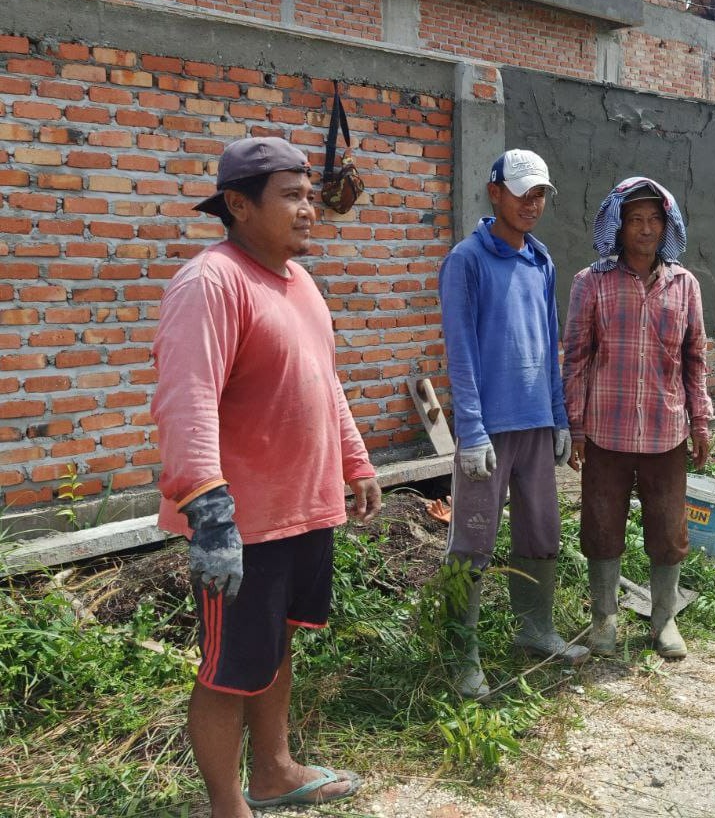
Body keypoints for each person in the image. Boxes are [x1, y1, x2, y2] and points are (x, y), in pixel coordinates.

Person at [151, 136, 382, 817]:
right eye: (291, 196)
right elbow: (186, 399)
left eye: (310, 195)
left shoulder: (299, 282)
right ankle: (228, 805)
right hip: (242, 522)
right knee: (229, 668)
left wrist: (355, 461)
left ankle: (275, 772)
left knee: (277, 641)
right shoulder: (210, 283)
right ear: (238, 204)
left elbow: (324, 383)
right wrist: (208, 510)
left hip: (300, 508)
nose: (310, 208)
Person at [438, 148, 588, 700]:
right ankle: (461, 654)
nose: (533, 203)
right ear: (495, 192)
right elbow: (460, 353)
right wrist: (471, 430)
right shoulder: (466, 261)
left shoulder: (541, 261)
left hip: (535, 423)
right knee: (473, 540)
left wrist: (559, 417)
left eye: (541, 194)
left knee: (542, 531)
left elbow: (550, 344)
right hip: (489, 428)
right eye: (523, 193)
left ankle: (534, 629)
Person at [562, 177, 713, 659]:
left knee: (668, 531)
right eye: (635, 220)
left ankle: (664, 619)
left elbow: (695, 359)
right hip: (605, 433)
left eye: (654, 220)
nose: (645, 229)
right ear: (618, 226)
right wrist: (575, 426)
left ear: (667, 227)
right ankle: (603, 620)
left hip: (666, 433)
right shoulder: (591, 282)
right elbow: (575, 358)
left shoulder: (684, 285)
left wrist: (701, 421)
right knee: (601, 528)